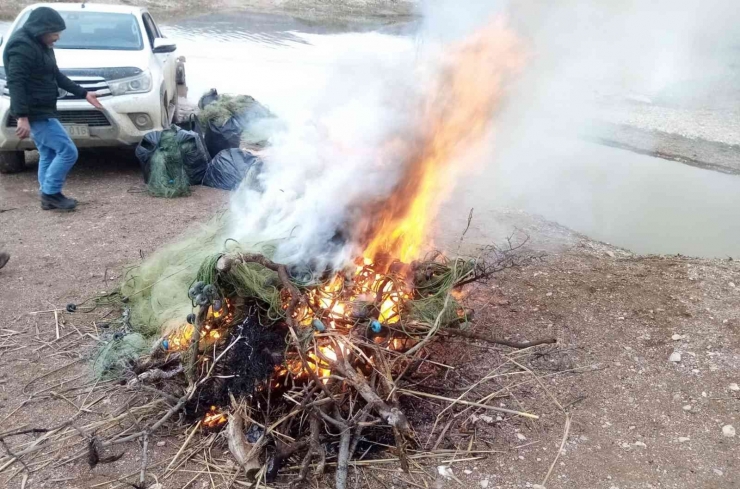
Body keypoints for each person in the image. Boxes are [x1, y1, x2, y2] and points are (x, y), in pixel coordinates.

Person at [3, 6, 103, 211]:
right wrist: (22, 116)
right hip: (35, 111)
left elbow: (56, 76)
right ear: (41, 29)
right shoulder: (21, 47)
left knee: (48, 153)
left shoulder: (41, 45)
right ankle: (51, 194)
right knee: (68, 151)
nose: (58, 36)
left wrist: (84, 93)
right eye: (55, 32)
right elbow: (16, 82)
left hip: (44, 108)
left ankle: (46, 194)